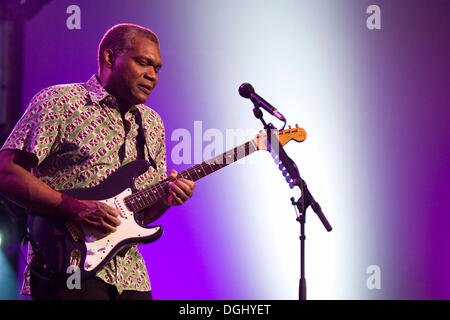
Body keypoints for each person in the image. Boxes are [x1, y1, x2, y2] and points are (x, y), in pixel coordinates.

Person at [0, 23, 195, 300]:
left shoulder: (152, 124)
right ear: (109, 58)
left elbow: (141, 215)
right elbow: (5, 171)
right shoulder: (60, 101)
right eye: (143, 63)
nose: (152, 76)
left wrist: (166, 198)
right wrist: (76, 208)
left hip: (131, 277)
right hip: (68, 266)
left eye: (157, 69)